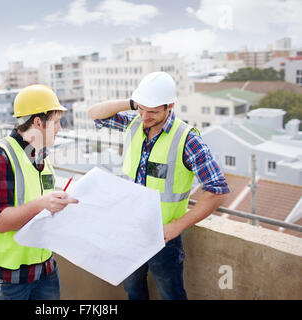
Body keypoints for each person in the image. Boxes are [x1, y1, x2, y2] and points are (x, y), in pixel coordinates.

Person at [88, 72, 230, 300]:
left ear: (169, 106)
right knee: (133, 290)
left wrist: (178, 226)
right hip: (130, 230)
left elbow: (217, 190)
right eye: (141, 109)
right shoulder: (134, 123)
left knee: (171, 295)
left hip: (163, 237)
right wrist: (133, 103)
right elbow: (94, 114)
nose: (145, 116)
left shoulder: (187, 139)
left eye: (153, 111)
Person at [0, 84, 78, 300]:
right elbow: (0, 222)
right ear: (38, 122)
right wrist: (43, 203)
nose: (60, 128)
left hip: (45, 269)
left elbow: (39, 203)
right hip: (11, 278)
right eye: (56, 122)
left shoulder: (41, 156)